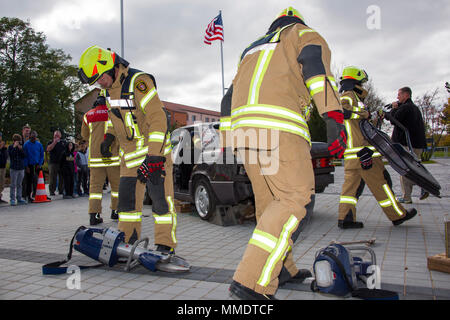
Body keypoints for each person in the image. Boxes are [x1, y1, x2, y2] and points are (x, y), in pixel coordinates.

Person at [221, 7, 347, 300]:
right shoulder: (304, 34)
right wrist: (333, 117)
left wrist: (228, 140)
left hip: (245, 133)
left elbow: (228, 96)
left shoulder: (250, 51)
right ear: (297, 22)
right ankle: (251, 282)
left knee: (269, 207)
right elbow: (316, 71)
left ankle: (283, 269)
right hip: (279, 128)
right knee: (294, 199)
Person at [78, 45, 177, 251]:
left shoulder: (139, 82)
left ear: (111, 67)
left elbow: (158, 118)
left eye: (99, 77)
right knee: (127, 207)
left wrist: (155, 156)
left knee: (161, 203)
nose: (98, 83)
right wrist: (109, 137)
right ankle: (127, 244)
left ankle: (165, 246)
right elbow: (116, 119)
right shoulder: (107, 91)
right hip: (129, 159)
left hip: (154, 155)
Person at [337, 66, 417, 229]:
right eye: (361, 83)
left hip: (353, 156)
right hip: (364, 153)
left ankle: (345, 219)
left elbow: (358, 125)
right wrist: (365, 113)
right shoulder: (348, 96)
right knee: (382, 185)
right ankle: (397, 215)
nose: (363, 87)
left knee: (349, 191)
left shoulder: (353, 98)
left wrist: (372, 117)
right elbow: (343, 112)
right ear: (355, 82)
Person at [80, 95, 120, 225]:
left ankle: (94, 215)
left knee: (95, 189)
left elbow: (84, 135)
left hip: (96, 158)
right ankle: (116, 212)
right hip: (112, 157)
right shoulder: (113, 113)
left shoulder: (88, 115)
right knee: (116, 188)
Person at [389, 87, 428, 203]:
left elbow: (393, 120)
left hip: (407, 144)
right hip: (417, 144)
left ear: (406, 95)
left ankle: (407, 197)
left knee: (405, 170)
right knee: (415, 168)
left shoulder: (406, 108)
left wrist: (394, 108)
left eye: (399, 95)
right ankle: (423, 186)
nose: (397, 97)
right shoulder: (414, 108)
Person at [23, 131, 44, 203]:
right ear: (29, 137)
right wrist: (26, 166)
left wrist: (40, 163)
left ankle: (36, 194)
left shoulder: (39, 144)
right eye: (32, 137)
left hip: (37, 165)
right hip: (29, 165)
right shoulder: (26, 145)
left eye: (34, 137)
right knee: (29, 182)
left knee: (37, 181)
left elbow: (41, 155)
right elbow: (24, 156)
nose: (33, 138)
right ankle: (28, 196)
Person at [8, 134, 27, 206]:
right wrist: (14, 147)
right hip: (14, 168)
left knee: (19, 184)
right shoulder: (10, 147)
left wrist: (20, 148)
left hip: (21, 168)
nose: (18, 142)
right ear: (14, 141)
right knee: (13, 184)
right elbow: (11, 155)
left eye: (19, 141)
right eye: (17, 141)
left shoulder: (21, 147)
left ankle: (19, 197)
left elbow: (24, 155)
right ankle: (12, 199)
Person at [46, 130, 66, 196]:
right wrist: (54, 142)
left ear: (60, 136)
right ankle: (52, 191)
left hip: (61, 162)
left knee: (62, 177)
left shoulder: (63, 142)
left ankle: (61, 190)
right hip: (53, 163)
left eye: (58, 135)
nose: (56, 136)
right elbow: (48, 149)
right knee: (52, 177)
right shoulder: (50, 142)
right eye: (55, 135)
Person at [0, 132, 7, 203]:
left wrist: (3, 148)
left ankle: (0, 196)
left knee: (1, 183)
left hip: (3, 166)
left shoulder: (3, 146)